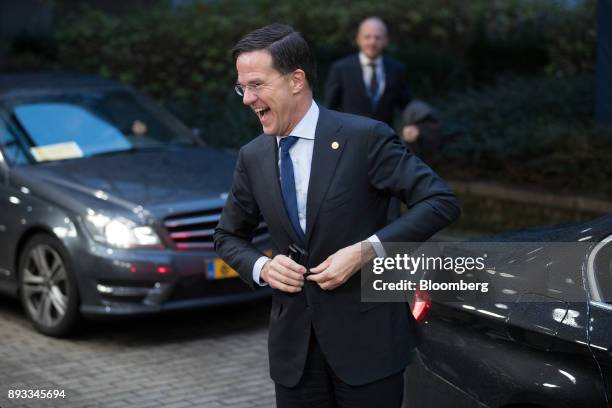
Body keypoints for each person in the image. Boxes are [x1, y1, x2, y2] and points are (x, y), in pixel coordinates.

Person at [214, 23, 460, 408]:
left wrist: (368, 250)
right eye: (242, 87)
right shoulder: (253, 155)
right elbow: (228, 236)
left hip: (369, 347)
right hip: (294, 355)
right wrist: (263, 268)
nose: (247, 98)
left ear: (296, 80)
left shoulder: (366, 138)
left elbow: (440, 201)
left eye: (257, 85)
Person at [324, 16, 412, 127]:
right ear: (358, 39)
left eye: (378, 37)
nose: (372, 42)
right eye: (367, 37)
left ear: (386, 40)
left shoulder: (397, 70)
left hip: (384, 139)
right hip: (350, 138)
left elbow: (406, 107)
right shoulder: (340, 69)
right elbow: (330, 108)